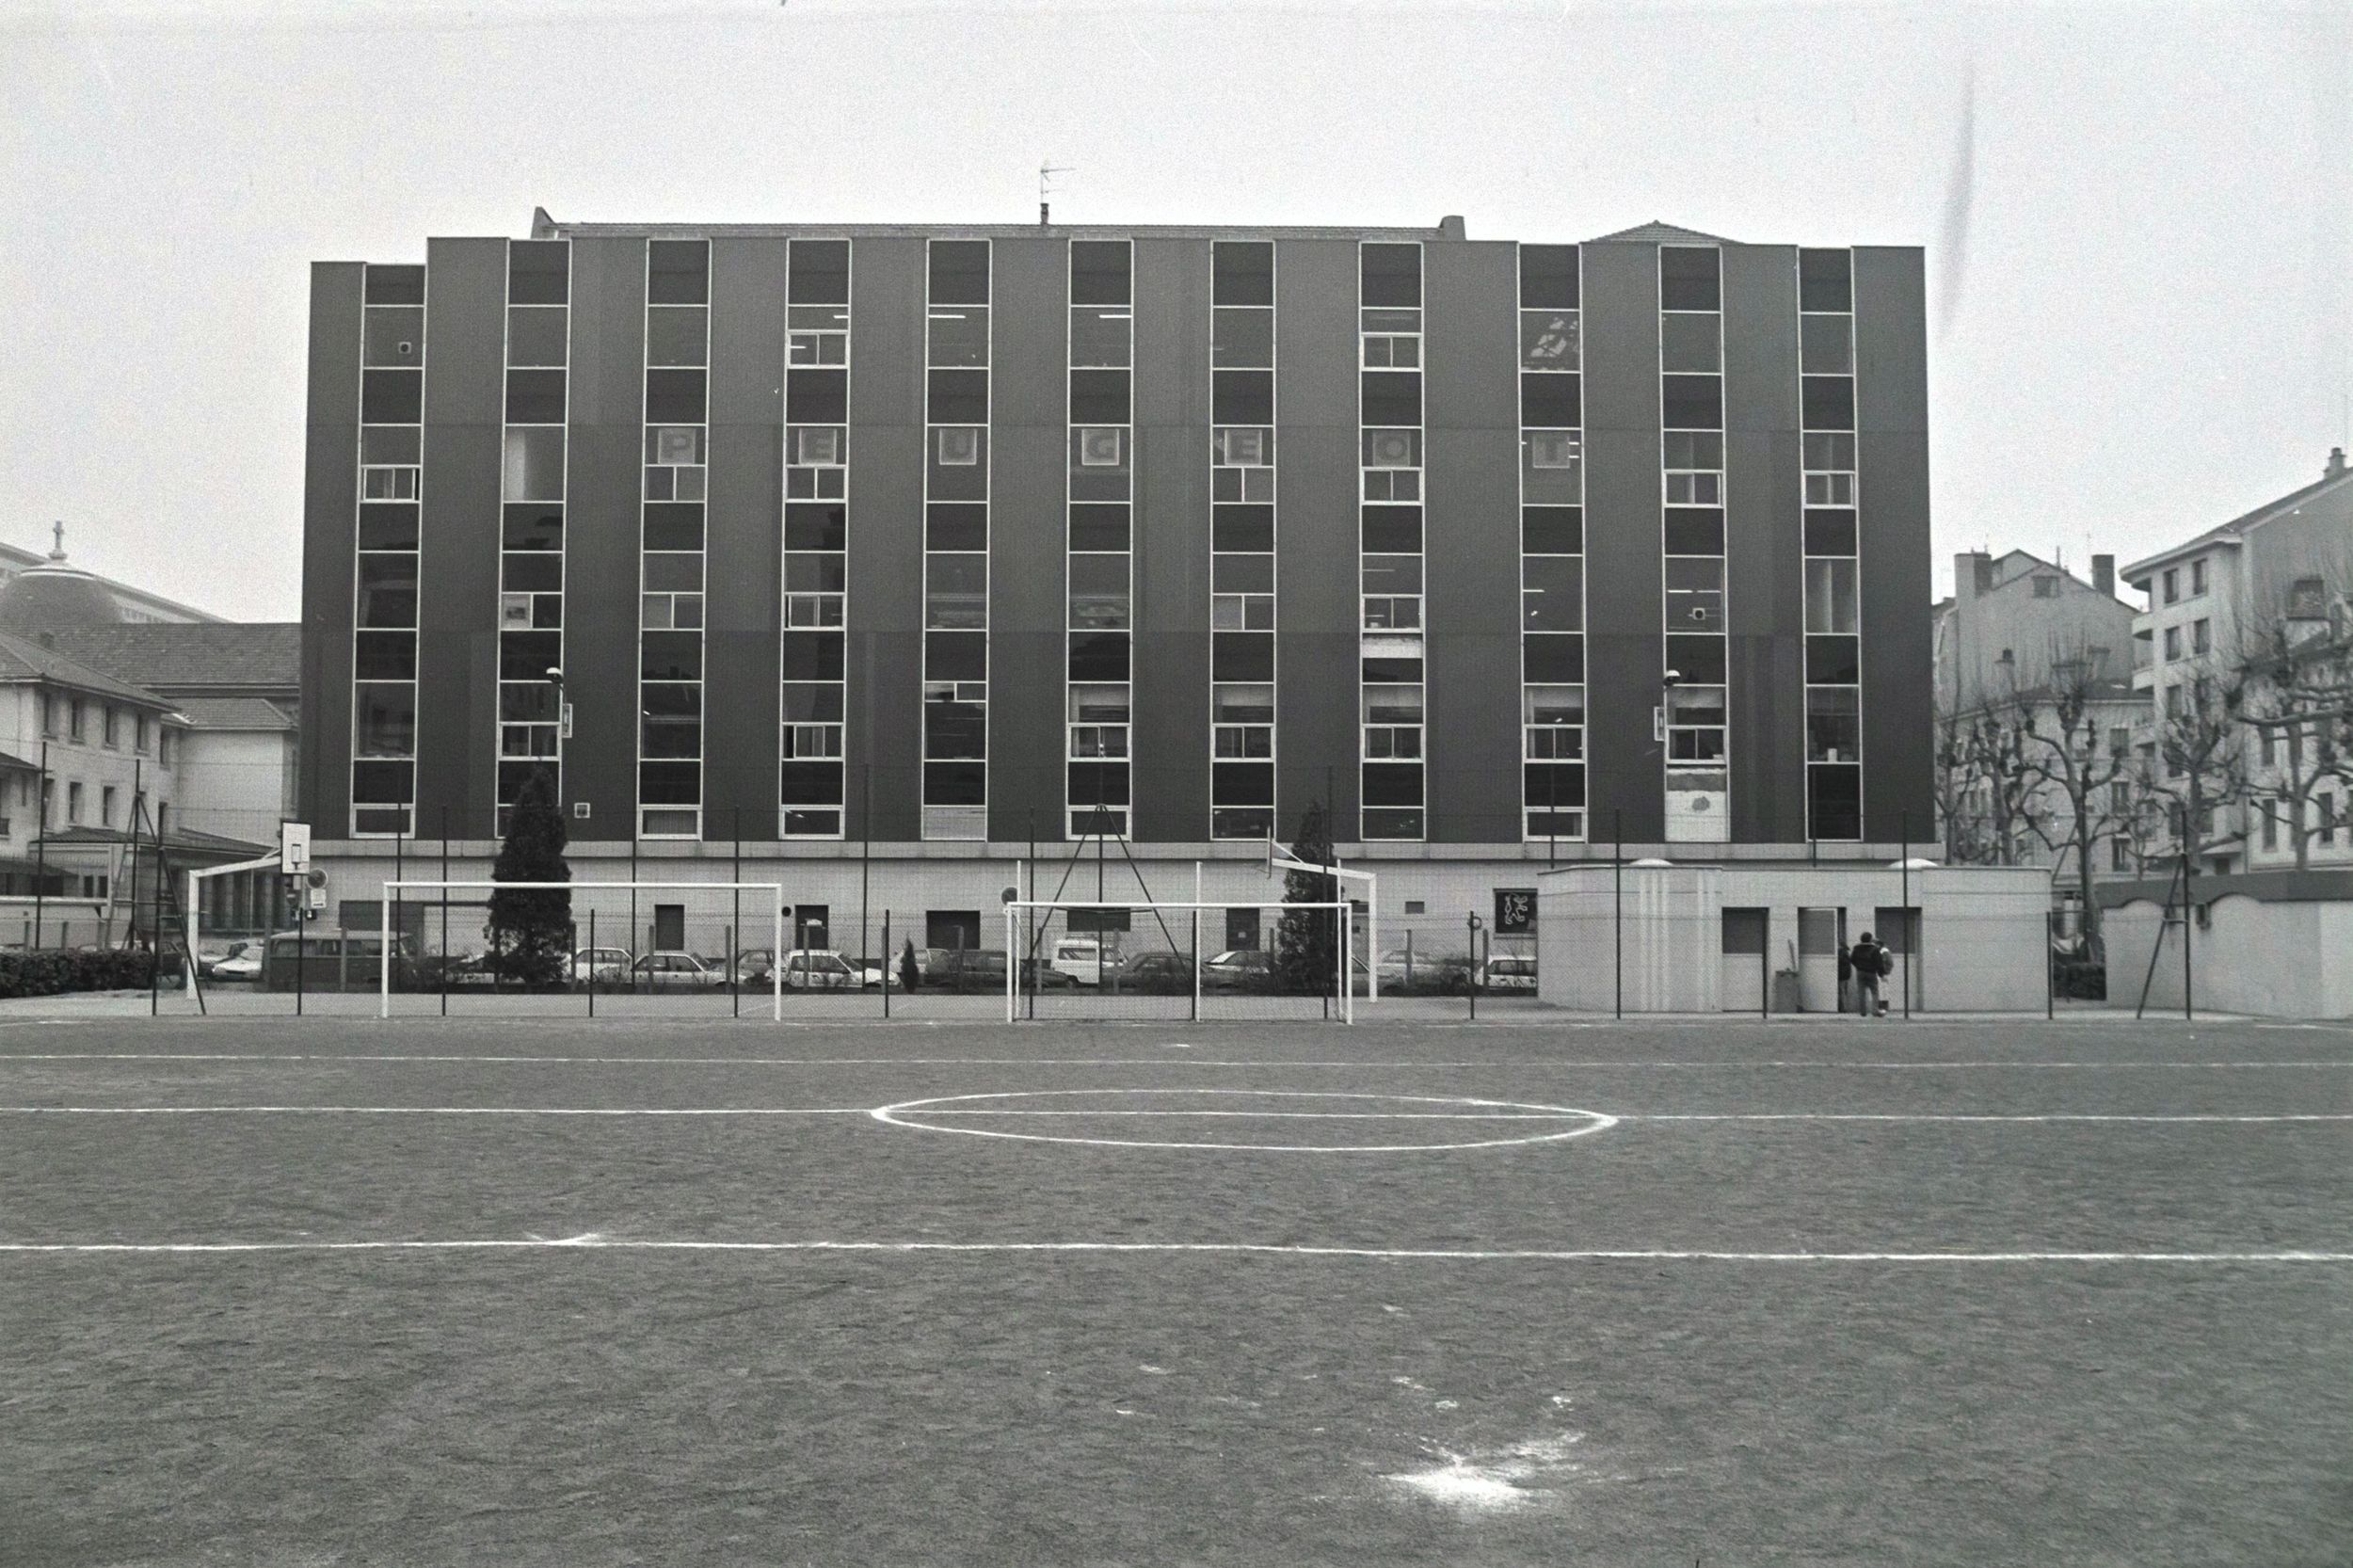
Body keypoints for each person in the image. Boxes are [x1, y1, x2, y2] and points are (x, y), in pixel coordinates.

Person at [1850, 931, 1886, 1017]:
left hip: (1860, 972)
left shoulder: (1856, 948)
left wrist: (1858, 966)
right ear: (1870, 939)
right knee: (1874, 992)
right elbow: (1879, 963)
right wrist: (1881, 973)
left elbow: (1852, 959)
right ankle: (1875, 1011)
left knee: (1861, 992)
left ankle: (1863, 1012)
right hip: (1871, 972)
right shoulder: (1874, 949)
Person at [1835, 940, 1853, 1014]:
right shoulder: (1846, 952)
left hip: (1842, 975)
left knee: (1842, 991)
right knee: (1843, 991)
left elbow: (1839, 962)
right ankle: (1843, 1007)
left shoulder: (1841, 953)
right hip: (1846, 974)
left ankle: (1843, 1007)